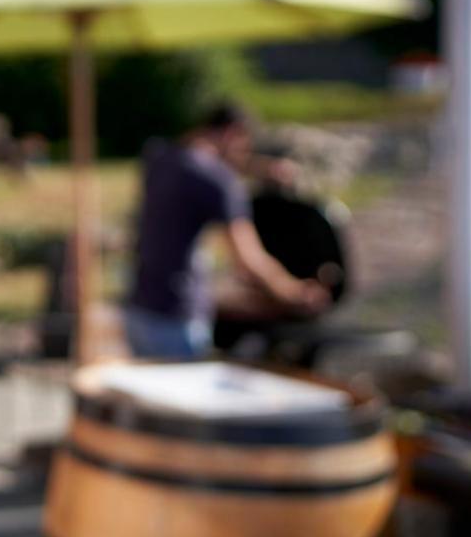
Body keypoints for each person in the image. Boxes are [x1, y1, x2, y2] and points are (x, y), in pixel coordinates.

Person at [124, 103, 329, 359]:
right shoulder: (219, 181)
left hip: (138, 311)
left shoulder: (160, 158)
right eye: (243, 147)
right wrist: (295, 293)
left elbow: (205, 166)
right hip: (177, 316)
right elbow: (248, 259)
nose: (243, 155)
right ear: (233, 132)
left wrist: (260, 168)